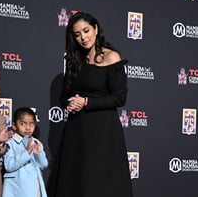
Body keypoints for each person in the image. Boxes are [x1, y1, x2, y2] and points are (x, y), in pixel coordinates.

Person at [47, 12, 134, 197]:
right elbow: (64, 96)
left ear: (95, 29)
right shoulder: (73, 60)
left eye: (86, 31)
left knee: (99, 184)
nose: (83, 38)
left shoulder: (112, 57)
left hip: (103, 131)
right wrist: (70, 103)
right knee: (76, 184)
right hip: (77, 131)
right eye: (77, 34)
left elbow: (119, 98)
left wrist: (86, 102)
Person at [2, 107, 49, 197]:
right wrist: (26, 152)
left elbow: (43, 165)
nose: (28, 128)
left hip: (35, 188)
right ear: (14, 125)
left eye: (31, 124)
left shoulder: (35, 142)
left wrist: (38, 153)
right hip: (17, 189)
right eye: (23, 124)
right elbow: (9, 165)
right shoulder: (9, 142)